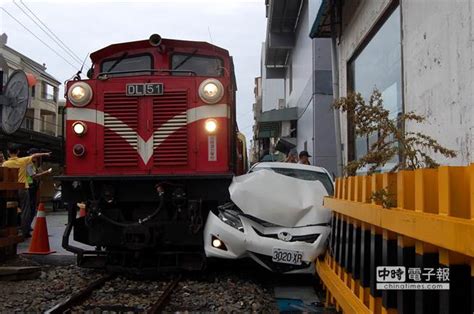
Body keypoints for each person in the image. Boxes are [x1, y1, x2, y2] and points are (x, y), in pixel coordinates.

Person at [2, 144, 51, 238]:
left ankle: (10, 229)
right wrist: (45, 154)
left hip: (10, 190)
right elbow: (35, 155)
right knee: (25, 210)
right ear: (18, 152)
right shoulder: (23, 161)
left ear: (8, 152)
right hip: (23, 188)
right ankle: (24, 231)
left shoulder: (5, 164)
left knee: (10, 209)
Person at [26, 148, 52, 229]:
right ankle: (27, 226)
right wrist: (46, 172)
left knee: (33, 206)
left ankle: (28, 225)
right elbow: (33, 176)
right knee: (30, 207)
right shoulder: (28, 163)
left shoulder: (34, 164)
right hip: (29, 187)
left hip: (33, 187)